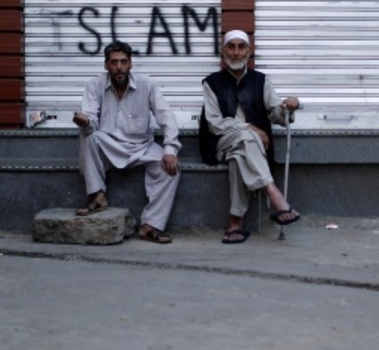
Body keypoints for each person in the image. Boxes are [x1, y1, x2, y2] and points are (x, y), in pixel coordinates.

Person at [73, 41, 181, 244]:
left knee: (170, 169)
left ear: (131, 64)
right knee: (88, 135)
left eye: (123, 62)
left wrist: (170, 150)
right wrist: (85, 122)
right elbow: (91, 124)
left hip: (142, 147)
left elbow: (167, 118)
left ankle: (151, 226)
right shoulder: (95, 85)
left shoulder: (147, 84)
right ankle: (97, 195)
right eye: (114, 62)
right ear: (106, 65)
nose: (119, 67)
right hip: (108, 145)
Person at [202, 30, 301, 244]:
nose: (236, 53)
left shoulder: (261, 81)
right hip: (220, 143)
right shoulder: (211, 83)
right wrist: (251, 128)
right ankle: (274, 195)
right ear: (223, 51)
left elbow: (278, 114)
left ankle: (235, 221)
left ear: (249, 51)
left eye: (241, 47)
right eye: (231, 47)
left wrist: (288, 107)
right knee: (247, 138)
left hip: (246, 148)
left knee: (239, 156)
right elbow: (214, 123)